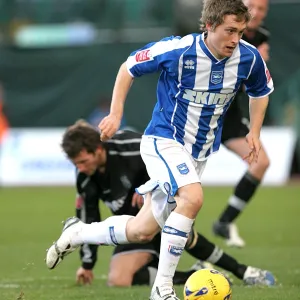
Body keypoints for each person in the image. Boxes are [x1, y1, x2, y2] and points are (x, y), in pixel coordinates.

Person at [46, 1, 273, 299]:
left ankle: (78, 233)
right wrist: (115, 113)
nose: (235, 39)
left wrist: (254, 132)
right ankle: (162, 289)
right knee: (191, 199)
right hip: (163, 141)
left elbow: (261, 91)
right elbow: (128, 67)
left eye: (241, 32)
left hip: (198, 154)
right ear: (209, 26)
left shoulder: (250, 57)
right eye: (230, 31)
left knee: (143, 230)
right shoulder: (178, 51)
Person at [62, 121, 274, 287]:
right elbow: (88, 218)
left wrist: (151, 184)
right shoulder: (85, 178)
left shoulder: (130, 147)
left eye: (82, 161)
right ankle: (194, 275)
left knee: (185, 235)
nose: (80, 168)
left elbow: (161, 154)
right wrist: (86, 265)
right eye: (75, 164)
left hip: (161, 207)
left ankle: (244, 272)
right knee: (118, 280)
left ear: (98, 149)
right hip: (132, 228)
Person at [212, 0, 271, 247]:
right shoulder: (219, 29)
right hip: (199, 111)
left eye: (262, 9)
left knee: (260, 162)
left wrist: (259, 64)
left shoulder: (261, 37)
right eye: (252, 6)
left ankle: (224, 222)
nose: (256, 13)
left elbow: (256, 85)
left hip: (229, 114)